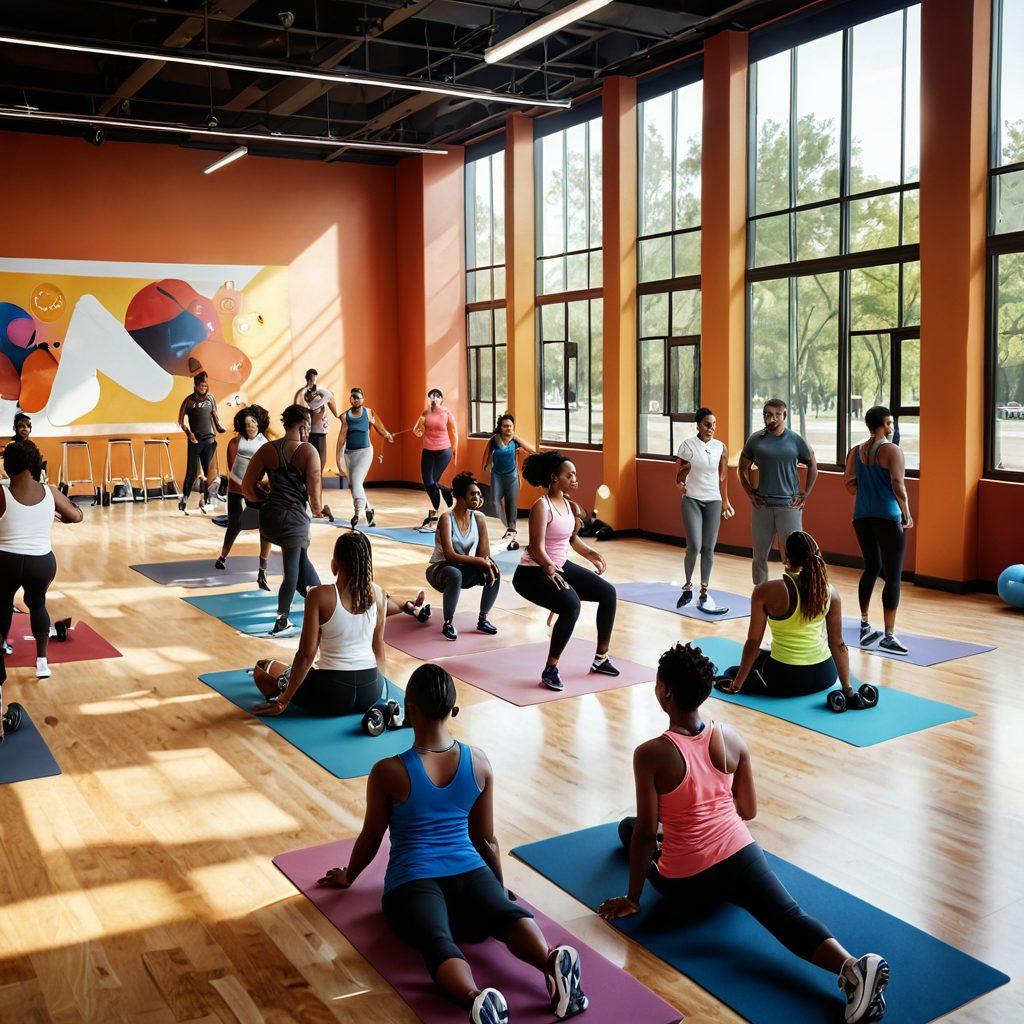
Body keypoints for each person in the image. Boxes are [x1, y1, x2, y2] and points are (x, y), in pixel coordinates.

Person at [598, 642, 889, 1024]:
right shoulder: (731, 738)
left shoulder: (651, 754)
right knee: (788, 916)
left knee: (628, 828)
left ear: (664, 692)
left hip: (687, 882)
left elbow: (647, 834)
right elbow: (747, 811)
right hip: (741, 853)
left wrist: (633, 897)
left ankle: (854, 972)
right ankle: (851, 966)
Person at [316, 664, 589, 1024]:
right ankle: (549, 960)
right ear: (453, 711)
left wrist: (349, 876)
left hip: (411, 884)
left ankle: (478, 999)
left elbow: (371, 837)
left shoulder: (389, 772)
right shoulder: (479, 762)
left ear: (409, 709)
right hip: (471, 874)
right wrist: (498, 889)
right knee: (505, 916)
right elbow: (486, 838)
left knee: (436, 941)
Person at [249, 531, 387, 717]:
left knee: (262, 670)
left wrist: (283, 700)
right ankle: (289, 679)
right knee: (288, 672)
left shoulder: (318, 595)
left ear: (334, 563)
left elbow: (306, 654)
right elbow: (378, 647)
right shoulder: (379, 594)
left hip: (332, 694)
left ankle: (284, 682)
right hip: (370, 692)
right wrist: (381, 694)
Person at [512, 451, 618, 691]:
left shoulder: (570, 506)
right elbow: (535, 548)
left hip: (559, 566)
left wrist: (591, 554)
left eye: (575, 475)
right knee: (571, 605)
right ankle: (550, 669)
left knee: (608, 593)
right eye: (569, 475)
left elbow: (570, 540)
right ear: (554, 478)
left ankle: (601, 658)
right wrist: (550, 568)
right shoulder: (542, 506)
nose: (574, 479)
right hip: (532, 572)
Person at [717, 531, 862, 704]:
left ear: (787, 557)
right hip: (825, 676)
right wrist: (848, 689)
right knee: (764, 655)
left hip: (787, 679)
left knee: (732, 671)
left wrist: (736, 684)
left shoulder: (765, 591)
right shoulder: (831, 592)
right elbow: (838, 644)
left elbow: (754, 642)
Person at [0, 440, 83, 680]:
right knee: (37, 604)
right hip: (41, 563)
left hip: (6, 561)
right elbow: (76, 516)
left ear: (9, 465)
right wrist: (61, 513)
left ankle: (2, 648)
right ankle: (42, 663)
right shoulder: (51, 492)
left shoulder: (2, 492)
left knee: (2, 603)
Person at [241, 404, 323, 637]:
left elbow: (247, 486)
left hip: (268, 520)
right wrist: (319, 510)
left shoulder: (267, 449)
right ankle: (282, 619)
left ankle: (325, 604)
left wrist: (263, 498)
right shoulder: (309, 452)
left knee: (302, 564)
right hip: (292, 522)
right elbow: (315, 499)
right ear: (305, 426)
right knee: (292, 572)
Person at [843, 407, 913, 656]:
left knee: (872, 567)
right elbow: (898, 485)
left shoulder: (856, 451)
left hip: (862, 517)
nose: (892, 426)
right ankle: (889, 636)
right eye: (889, 422)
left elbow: (849, 485)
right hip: (887, 517)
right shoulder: (892, 450)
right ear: (882, 425)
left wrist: (868, 487)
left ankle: (864, 624)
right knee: (893, 575)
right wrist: (906, 513)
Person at [739, 399, 817, 585]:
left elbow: (813, 465)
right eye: (767, 415)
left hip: (789, 506)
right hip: (762, 506)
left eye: (776, 415)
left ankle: (796, 593)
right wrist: (750, 493)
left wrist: (805, 493)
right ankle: (760, 594)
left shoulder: (796, 440)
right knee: (759, 556)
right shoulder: (756, 440)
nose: (771, 419)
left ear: (784, 416)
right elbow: (742, 468)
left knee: (795, 556)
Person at [427, 472, 500, 642]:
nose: (477, 497)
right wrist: (479, 561)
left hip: (464, 568)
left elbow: (484, 555)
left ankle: (483, 619)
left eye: (479, 494)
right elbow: (450, 556)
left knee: (494, 567)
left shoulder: (479, 518)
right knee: (454, 573)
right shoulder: (446, 518)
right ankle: (448, 623)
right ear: (460, 496)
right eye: (472, 494)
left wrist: (486, 564)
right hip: (441, 570)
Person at [675, 407, 735, 614]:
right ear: (698, 425)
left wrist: (726, 501)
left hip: (714, 501)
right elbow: (679, 472)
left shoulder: (721, 448)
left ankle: (704, 589)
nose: (711, 428)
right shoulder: (687, 446)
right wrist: (679, 483)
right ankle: (688, 585)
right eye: (707, 424)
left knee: (708, 548)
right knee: (695, 545)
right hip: (692, 500)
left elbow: (723, 477)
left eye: (714, 424)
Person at [215, 404, 272, 589]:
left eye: (254, 422)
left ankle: (262, 570)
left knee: (266, 527)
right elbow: (232, 472)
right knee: (235, 525)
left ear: (259, 423)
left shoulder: (265, 442)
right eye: (247, 424)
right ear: (242, 426)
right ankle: (222, 556)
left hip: (257, 489)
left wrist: (262, 486)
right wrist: (246, 485)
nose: (251, 427)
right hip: (237, 488)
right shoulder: (235, 443)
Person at [336, 386, 394, 529]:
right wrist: (338, 457)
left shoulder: (369, 412)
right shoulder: (345, 416)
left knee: (356, 481)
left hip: (365, 453)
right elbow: (342, 437)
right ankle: (368, 510)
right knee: (354, 484)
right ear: (350, 399)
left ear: (363, 399)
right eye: (353, 397)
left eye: (358, 397)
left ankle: (359, 514)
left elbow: (379, 426)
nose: (355, 399)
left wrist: (387, 435)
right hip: (349, 454)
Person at [482, 413, 535, 549]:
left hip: (512, 476)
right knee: (495, 501)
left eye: (510, 426)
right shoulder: (495, 440)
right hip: (497, 476)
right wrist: (485, 465)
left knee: (512, 503)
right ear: (500, 427)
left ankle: (511, 529)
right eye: (505, 426)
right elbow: (487, 452)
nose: (508, 429)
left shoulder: (514, 441)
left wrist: (516, 437)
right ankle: (507, 525)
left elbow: (532, 450)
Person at [177, 372, 226, 514]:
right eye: (201, 386)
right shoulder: (188, 401)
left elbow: (215, 416)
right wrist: (189, 433)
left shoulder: (211, 399)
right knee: (191, 472)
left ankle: (206, 499)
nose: (203, 388)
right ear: (195, 386)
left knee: (208, 472)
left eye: (205, 385)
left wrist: (219, 427)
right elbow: (180, 422)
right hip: (195, 440)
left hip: (209, 440)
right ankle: (185, 498)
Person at [412, 388, 457, 530]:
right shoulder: (425, 413)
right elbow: (417, 431)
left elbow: (455, 432)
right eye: (431, 396)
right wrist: (418, 429)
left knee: (432, 483)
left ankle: (437, 512)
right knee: (428, 483)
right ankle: (443, 496)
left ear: (441, 399)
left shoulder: (446, 413)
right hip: (428, 451)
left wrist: (455, 450)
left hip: (444, 451)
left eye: (437, 396)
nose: (434, 398)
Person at [295, 368, 340, 471]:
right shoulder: (303, 393)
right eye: (311, 379)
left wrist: (336, 415)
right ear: (307, 379)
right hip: (307, 430)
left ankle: (316, 479)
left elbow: (330, 397)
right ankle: (310, 480)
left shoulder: (318, 392)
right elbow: (300, 409)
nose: (313, 382)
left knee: (319, 458)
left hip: (319, 430)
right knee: (309, 456)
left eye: (314, 379)